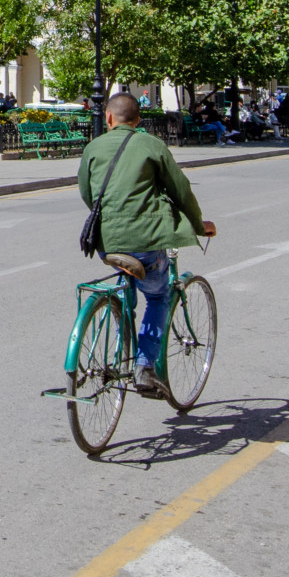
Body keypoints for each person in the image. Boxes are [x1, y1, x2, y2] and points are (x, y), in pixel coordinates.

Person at [80, 92, 217, 399]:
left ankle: (121, 328)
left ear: (109, 118)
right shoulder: (152, 146)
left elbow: (88, 194)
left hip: (105, 242)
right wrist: (198, 225)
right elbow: (181, 191)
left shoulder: (93, 147)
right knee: (158, 296)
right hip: (146, 242)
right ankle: (144, 366)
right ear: (138, 121)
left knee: (128, 275)